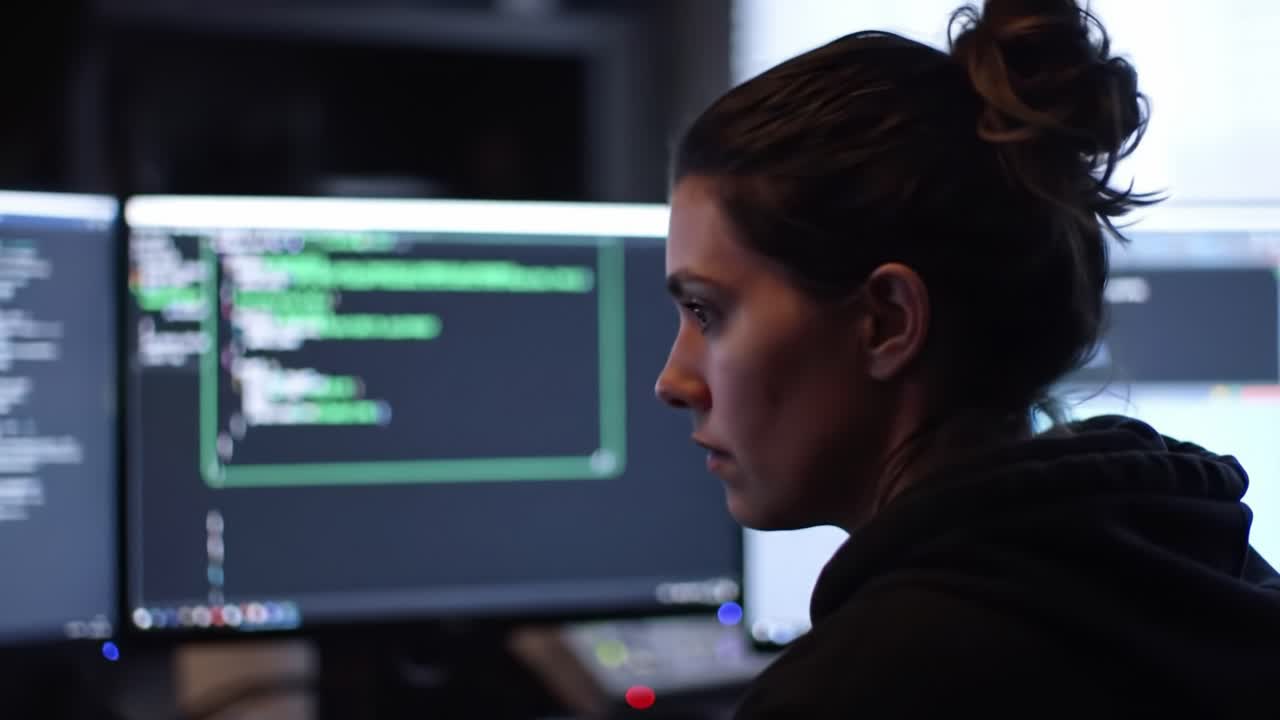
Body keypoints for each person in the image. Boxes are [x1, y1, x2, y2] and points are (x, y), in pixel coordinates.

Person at [654, 0, 1280, 716]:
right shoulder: (1208, 574)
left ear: (887, 321)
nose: (673, 381)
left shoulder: (864, 688)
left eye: (707, 311)